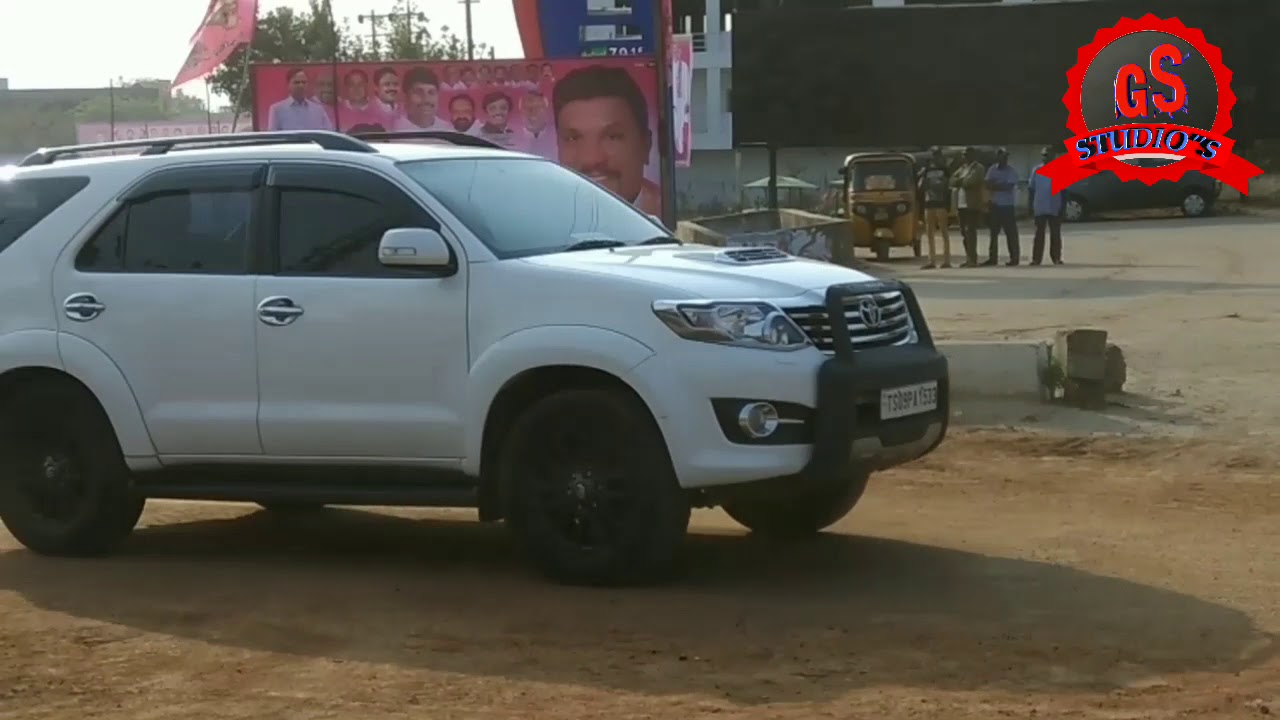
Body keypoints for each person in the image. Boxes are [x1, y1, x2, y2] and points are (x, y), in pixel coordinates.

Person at [552, 65, 660, 215]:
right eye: (572, 138)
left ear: (645, 146)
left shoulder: (666, 216)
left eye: (612, 137)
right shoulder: (539, 219)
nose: (591, 159)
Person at [950, 146, 988, 267]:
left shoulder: (979, 168)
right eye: (963, 155)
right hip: (960, 205)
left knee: (970, 232)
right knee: (964, 233)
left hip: (972, 205)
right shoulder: (962, 168)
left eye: (967, 155)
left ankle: (973, 259)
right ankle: (968, 258)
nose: (964, 157)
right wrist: (961, 180)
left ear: (973, 155)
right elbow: (951, 180)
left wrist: (960, 181)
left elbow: (970, 182)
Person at [1028, 145, 1065, 265]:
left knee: (1055, 234)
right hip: (1040, 206)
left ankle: (1056, 258)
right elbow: (1031, 189)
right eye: (1044, 155)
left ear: (1053, 156)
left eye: (1048, 155)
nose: (1046, 158)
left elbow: (1064, 191)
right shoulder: (1036, 170)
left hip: (1055, 206)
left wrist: (1063, 207)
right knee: (1039, 234)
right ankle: (1036, 259)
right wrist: (1030, 206)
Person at [917, 146, 953, 269]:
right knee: (929, 233)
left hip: (941, 203)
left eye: (937, 155)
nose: (935, 158)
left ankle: (946, 260)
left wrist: (948, 204)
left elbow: (948, 187)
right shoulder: (926, 170)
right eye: (934, 155)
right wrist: (923, 174)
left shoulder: (945, 170)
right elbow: (920, 187)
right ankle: (931, 260)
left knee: (944, 232)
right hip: (929, 203)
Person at [985, 147, 1021, 266]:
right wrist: (1000, 185)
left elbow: (1008, 187)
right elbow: (987, 185)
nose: (1004, 159)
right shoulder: (992, 169)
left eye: (1005, 157)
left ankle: (1014, 258)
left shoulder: (1011, 171)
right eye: (1001, 156)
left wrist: (995, 185)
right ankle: (992, 258)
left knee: (1011, 234)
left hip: (1007, 206)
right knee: (993, 234)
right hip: (994, 205)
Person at [266, 68, 334, 131]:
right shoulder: (277, 109)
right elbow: (273, 135)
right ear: (288, 85)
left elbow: (329, 132)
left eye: (304, 82)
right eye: (297, 82)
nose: (301, 85)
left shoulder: (318, 110)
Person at [395, 67, 452, 131]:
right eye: (418, 92)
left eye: (431, 92)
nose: (426, 99)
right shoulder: (393, 131)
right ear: (405, 97)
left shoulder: (449, 130)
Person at [515, 89, 557, 160]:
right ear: (520, 111)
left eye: (537, 107)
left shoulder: (557, 137)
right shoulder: (512, 139)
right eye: (526, 107)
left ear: (546, 109)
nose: (532, 111)